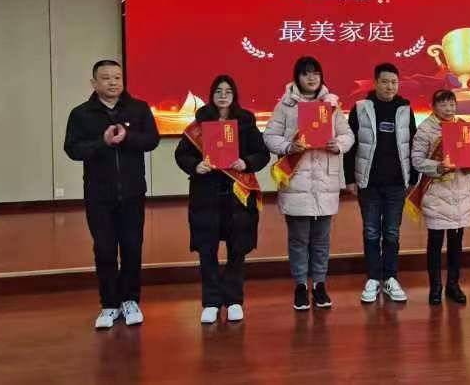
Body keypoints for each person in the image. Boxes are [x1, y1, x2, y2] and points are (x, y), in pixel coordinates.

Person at [64, 59, 160, 329]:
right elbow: (72, 149)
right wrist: (102, 142)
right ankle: (108, 304)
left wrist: (127, 137)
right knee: (105, 249)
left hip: (132, 193)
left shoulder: (138, 109)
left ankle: (130, 300)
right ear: (94, 83)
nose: (113, 82)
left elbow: (151, 140)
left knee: (131, 247)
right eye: (106, 78)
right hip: (98, 194)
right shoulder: (81, 114)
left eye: (117, 77)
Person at [174, 75, 270, 323]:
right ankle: (211, 301)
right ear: (211, 95)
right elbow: (181, 155)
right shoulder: (199, 123)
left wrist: (246, 162)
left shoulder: (246, 122)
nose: (223, 95)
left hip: (238, 195)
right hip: (206, 194)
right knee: (207, 250)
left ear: (234, 95)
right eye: (218, 91)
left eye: (228, 91)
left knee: (237, 249)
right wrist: (196, 166)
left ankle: (234, 299)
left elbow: (262, 154)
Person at [263, 56, 355, 310]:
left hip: (325, 181)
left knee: (322, 240)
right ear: (297, 77)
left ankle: (320, 285)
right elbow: (269, 136)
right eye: (305, 74)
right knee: (299, 239)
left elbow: (348, 134)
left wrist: (338, 145)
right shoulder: (285, 105)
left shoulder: (331, 104)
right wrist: (288, 146)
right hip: (296, 181)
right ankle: (301, 286)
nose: (311, 78)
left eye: (315, 73)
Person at [344, 63, 419, 304]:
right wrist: (350, 178)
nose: (389, 86)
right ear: (375, 83)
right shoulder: (360, 108)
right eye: (385, 82)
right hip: (368, 182)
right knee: (371, 230)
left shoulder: (405, 109)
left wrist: (413, 177)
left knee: (392, 231)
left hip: (397, 182)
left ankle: (390, 277)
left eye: (394, 82)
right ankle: (373, 278)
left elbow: (413, 144)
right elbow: (350, 145)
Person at [410, 90, 470, 305]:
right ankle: (435, 287)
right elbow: (417, 160)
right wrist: (438, 167)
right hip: (436, 192)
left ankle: (453, 285)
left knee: (456, 244)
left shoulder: (463, 127)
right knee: (435, 244)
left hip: (460, 193)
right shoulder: (425, 129)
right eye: (443, 105)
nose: (449, 109)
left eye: (451, 104)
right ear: (433, 107)